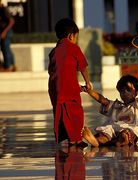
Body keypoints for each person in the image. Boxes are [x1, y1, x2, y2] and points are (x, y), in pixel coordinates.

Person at [48, 18, 92, 146]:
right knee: (75, 112)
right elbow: (83, 67)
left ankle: (66, 138)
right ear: (71, 35)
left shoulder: (53, 52)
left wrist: (75, 85)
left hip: (55, 88)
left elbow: (55, 72)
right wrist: (87, 83)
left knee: (60, 112)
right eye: (75, 37)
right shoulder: (74, 48)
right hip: (70, 89)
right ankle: (76, 139)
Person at [83, 75, 138, 147]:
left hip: (130, 129)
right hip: (112, 129)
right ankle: (97, 142)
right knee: (104, 135)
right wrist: (89, 91)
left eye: (129, 90)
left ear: (137, 92)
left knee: (124, 134)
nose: (125, 93)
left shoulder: (137, 105)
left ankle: (117, 142)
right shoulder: (116, 106)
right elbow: (102, 100)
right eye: (122, 91)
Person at [0, 1, 15, 72]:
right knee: (5, 47)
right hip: (3, 31)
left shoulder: (3, 9)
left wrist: (4, 32)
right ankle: (11, 65)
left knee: (5, 47)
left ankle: (8, 66)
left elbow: (11, 21)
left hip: (6, 32)